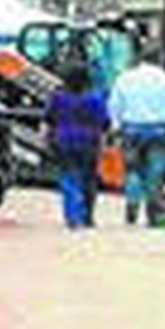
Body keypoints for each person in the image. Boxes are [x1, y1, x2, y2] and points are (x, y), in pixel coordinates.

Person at [108, 49, 165, 226]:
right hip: (159, 131)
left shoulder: (125, 79)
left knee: (132, 170)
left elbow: (114, 106)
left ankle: (132, 203)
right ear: (159, 60)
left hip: (131, 130)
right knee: (155, 172)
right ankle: (152, 208)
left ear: (140, 59)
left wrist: (116, 127)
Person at [46, 63, 108, 229]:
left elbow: (49, 118)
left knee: (69, 177)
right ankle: (87, 216)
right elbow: (104, 122)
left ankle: (72, 216)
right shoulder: (95, 98)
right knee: (89, 179)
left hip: (64, 140)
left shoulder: (58, 97)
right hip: (90, 142)